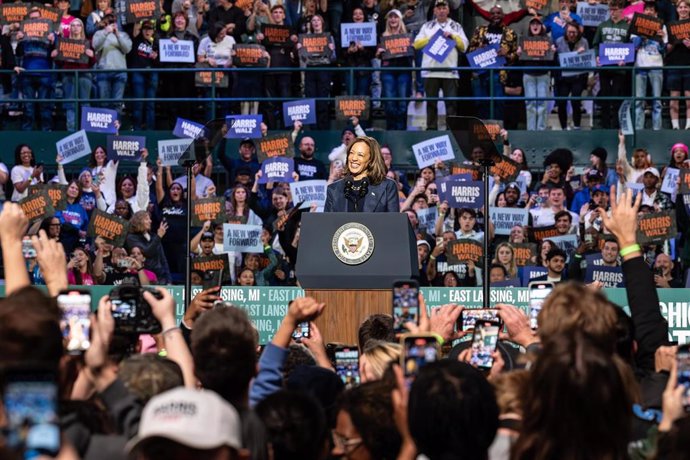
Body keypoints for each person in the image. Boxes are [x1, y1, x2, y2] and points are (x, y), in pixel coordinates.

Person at [412, 0, 468, 130]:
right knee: (431, 104)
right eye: (439, 8)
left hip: (450, 72)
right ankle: (431, 129)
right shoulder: (427, 26)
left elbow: (464, 46)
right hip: (430, 71)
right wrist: (430, 39)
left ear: (448, 10)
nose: (441, 11)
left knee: (452, 104)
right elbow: (416, 44)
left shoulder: (456, 26)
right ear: (434, 11)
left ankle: (451, 130)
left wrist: (453, 37)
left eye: (444, 8)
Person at [467, 5, 518, 121]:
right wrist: (479, 49)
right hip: (480, 73)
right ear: (489, 16)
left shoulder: (510, 33)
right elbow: (469, 51)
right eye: (493, 13)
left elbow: (515, 56)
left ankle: (497, 131)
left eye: (498, 13)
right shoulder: (479, 30)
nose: (496, 16)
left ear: (503, 15)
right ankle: (483, 131)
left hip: (498, 74)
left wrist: (506, 54)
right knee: (480, 103)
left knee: (498, 104)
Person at [324, 136, 400, 212]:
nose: (354, 158)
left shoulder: (387, 187)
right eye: (351, 153)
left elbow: (393, 222)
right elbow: (327, 222)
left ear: (371, 160)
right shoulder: (334, 189)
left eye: (360, 155)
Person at [16, 8, 56, 131]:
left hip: (44, 72)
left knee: (45, 106)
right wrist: (19, 41)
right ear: (29, 21)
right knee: (28, 107)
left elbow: (56, 53)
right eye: (32, 19)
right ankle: (26, 134)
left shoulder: (50, 33)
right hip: (27, 72)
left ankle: (46, 132)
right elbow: (18, 53)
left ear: (42, 19)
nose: (35, 20)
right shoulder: (24, 34)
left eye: (37, 18)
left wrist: (53, 41)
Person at [51, 19, 94, 131]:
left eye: (78, 25)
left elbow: (92, 62)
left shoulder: (87, 42)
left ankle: (87, 130)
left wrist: (92, 55)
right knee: (70, 105)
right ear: (70, 28)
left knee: (85, 104)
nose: (75, 27)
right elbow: (60, 62)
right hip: (68, 76)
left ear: (82, 28)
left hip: (84, 76)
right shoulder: (64, 42)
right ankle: (71, 131)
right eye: (73, 25)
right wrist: (55, 55)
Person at [592, 0, 630, 129]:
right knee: (605, 95)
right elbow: (596, 44)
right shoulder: (602, 26)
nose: (613, 12)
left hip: (620, 67)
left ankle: (616, 125)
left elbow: (630, 46)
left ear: (621, 10)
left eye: (615, 9)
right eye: (611, 9)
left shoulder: (627, 27)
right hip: (605, 66)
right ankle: (605, 125)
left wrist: (626, 59)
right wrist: (597, 56)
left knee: (617, 96)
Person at [632, 1, 667, 131]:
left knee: (657, 101)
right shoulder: (637, 24)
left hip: (656, 66)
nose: (649, 11)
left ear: (656, 13)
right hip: (640, 66)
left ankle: (657, 129)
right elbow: (634, 47)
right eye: (647, 9)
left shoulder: (662, 27)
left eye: (652, 9)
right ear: (643, 11)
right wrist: (641, 37)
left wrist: (662, 40)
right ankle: (638, 129)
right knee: (639, 101)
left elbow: (664, 51)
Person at [297, 14, 336, 130]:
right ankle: (314, 130)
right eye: (313, 20)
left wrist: (331, 50)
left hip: (324, 69)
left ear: (322, 23)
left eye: (318, 20)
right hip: (310, 69)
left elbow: (333, 58)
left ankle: (323, 130)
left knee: (323, 102)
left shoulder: (329, 37)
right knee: (311, 102)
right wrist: (299, 50)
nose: (315, 22)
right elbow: (303, 59)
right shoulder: (305, 38)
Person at [377, 9, 413, 130]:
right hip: (388, 71)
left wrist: (411, 48)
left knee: (402, 104)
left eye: (396, 17)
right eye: (391, 17)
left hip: (404, 71)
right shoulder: (383, 37)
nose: (393, 19)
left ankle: (401, 131)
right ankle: (391, 131)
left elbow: (413, 53)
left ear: (400, 19)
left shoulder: (408, 36)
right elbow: (377, 55)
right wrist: (378, 52)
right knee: (390, 103)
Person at [92, 13, 132, 116]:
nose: (112, 24)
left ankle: (115, 129)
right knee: (104, 103)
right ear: (105, 24)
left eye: (114, 22)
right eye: (109, 22)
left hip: (120, 72)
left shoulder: (124, 35)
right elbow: (95, 47)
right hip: (103, 71)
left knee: (117, 103)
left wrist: (118, 35)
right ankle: (105, 130)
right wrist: (106, 32)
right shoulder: (99, 33)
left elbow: (127, 49)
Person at [518, 16, 553, 131]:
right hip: (529, 74)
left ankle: (541, 130)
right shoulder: (524, 40)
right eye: (533, 24)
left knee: (542, 103)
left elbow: (552, 59)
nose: (535, 26)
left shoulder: (547, 40)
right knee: (530, 103)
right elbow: (520, 59)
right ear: (529, 27)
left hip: (543, 74)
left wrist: (553, 52)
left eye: (537, 24)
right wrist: (519, 53)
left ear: (542, 26)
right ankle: (531, 130)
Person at [554, 23, 589, 131]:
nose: (572, 34)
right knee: (562, 102)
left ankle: (577, 126)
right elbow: (558, 60)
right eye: (569, 32)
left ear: (578, 32)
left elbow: (588, 60)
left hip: (577, 77)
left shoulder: (584, 42)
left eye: (574, 32)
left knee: (575, 101)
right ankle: (564, 127)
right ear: (566, 32)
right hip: (563, 78)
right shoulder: (559, 41)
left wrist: (583, 54)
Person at [128, 20, 159, 130]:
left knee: (150, 105)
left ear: (153, 31)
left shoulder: (157, 43)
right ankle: (137, 130)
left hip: (152, 73)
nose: (147, 31)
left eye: (150, 29)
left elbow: (161, 62)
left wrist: (156, 57)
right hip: (138, 72)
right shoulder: (136, 40)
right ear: (142, 30)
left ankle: (150, 130)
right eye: (145, 29)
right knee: (138, 104)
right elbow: (135, 30)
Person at [666, 0, 690, 129]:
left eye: (686, 7)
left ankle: (688, 125)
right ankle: (675, 126)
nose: (683, 9)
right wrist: (673, 43)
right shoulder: (670, 26)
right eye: (680, 7)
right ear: (677, 10)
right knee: (673, 97)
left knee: (689, 98)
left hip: (689, 66)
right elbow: (666, 49)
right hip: (674, 65)